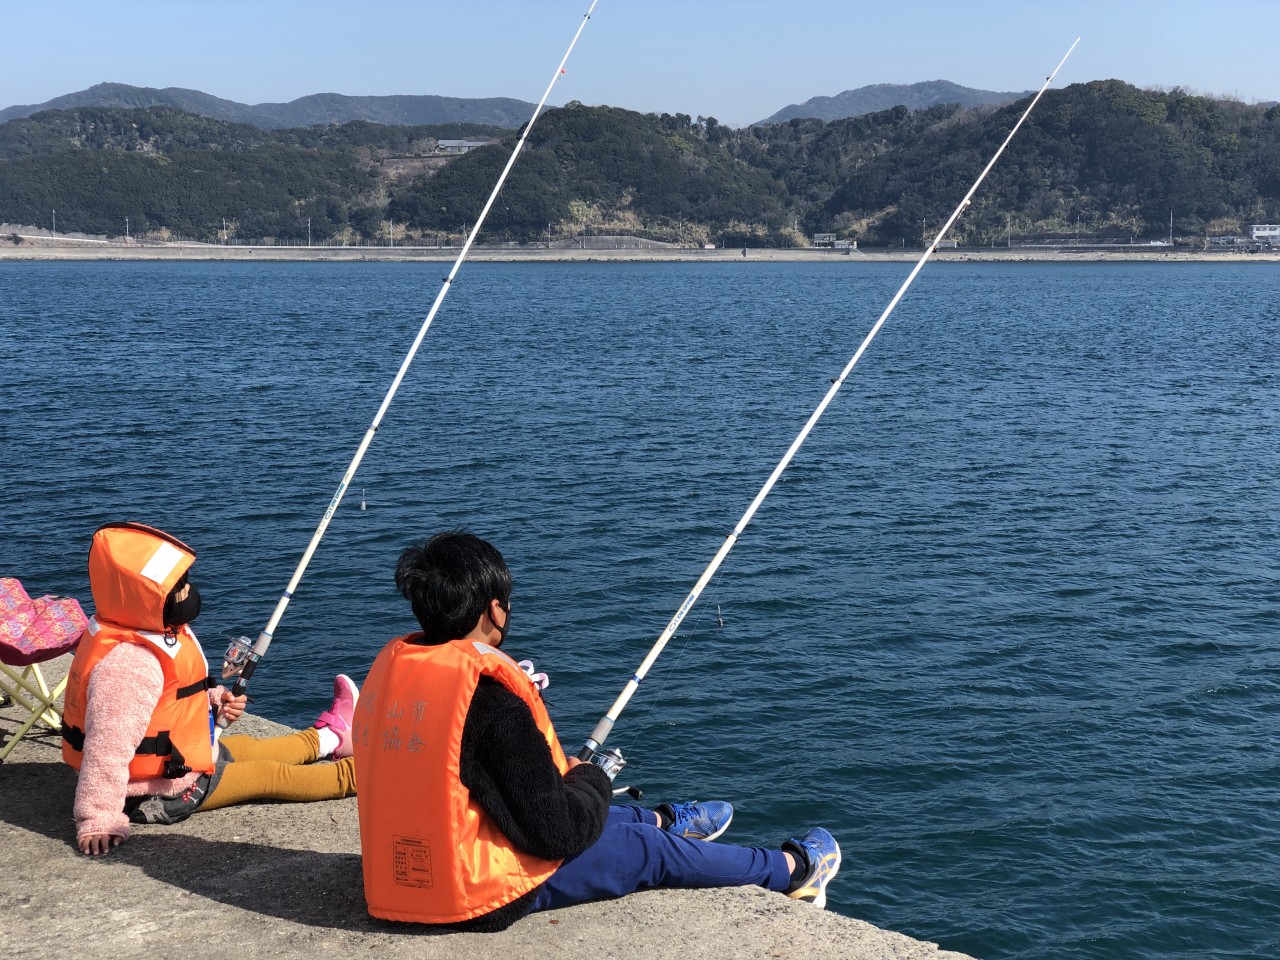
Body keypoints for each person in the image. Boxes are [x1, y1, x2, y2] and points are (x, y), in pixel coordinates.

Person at [352, 530, 841, 930]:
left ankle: (660, 820)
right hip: (471, 900)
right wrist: (592, 777)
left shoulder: (396, 678)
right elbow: (556, 834)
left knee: (622, 823)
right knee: (644, 853)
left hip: (398, 881)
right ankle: (793, 869)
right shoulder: (491, 702)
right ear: (495, 610)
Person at [63, 521, 358, 856]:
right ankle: (362, 774)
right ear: (148, 600)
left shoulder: (150, 630)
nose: (189, 592)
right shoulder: (129, 665)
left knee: (250, 747)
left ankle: (331, 737)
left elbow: (169, 700)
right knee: (268, 775)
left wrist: (213, 701)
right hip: (154, 791)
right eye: (181, 588)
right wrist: (99, 818)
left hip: (180, 761)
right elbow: (107, 750)